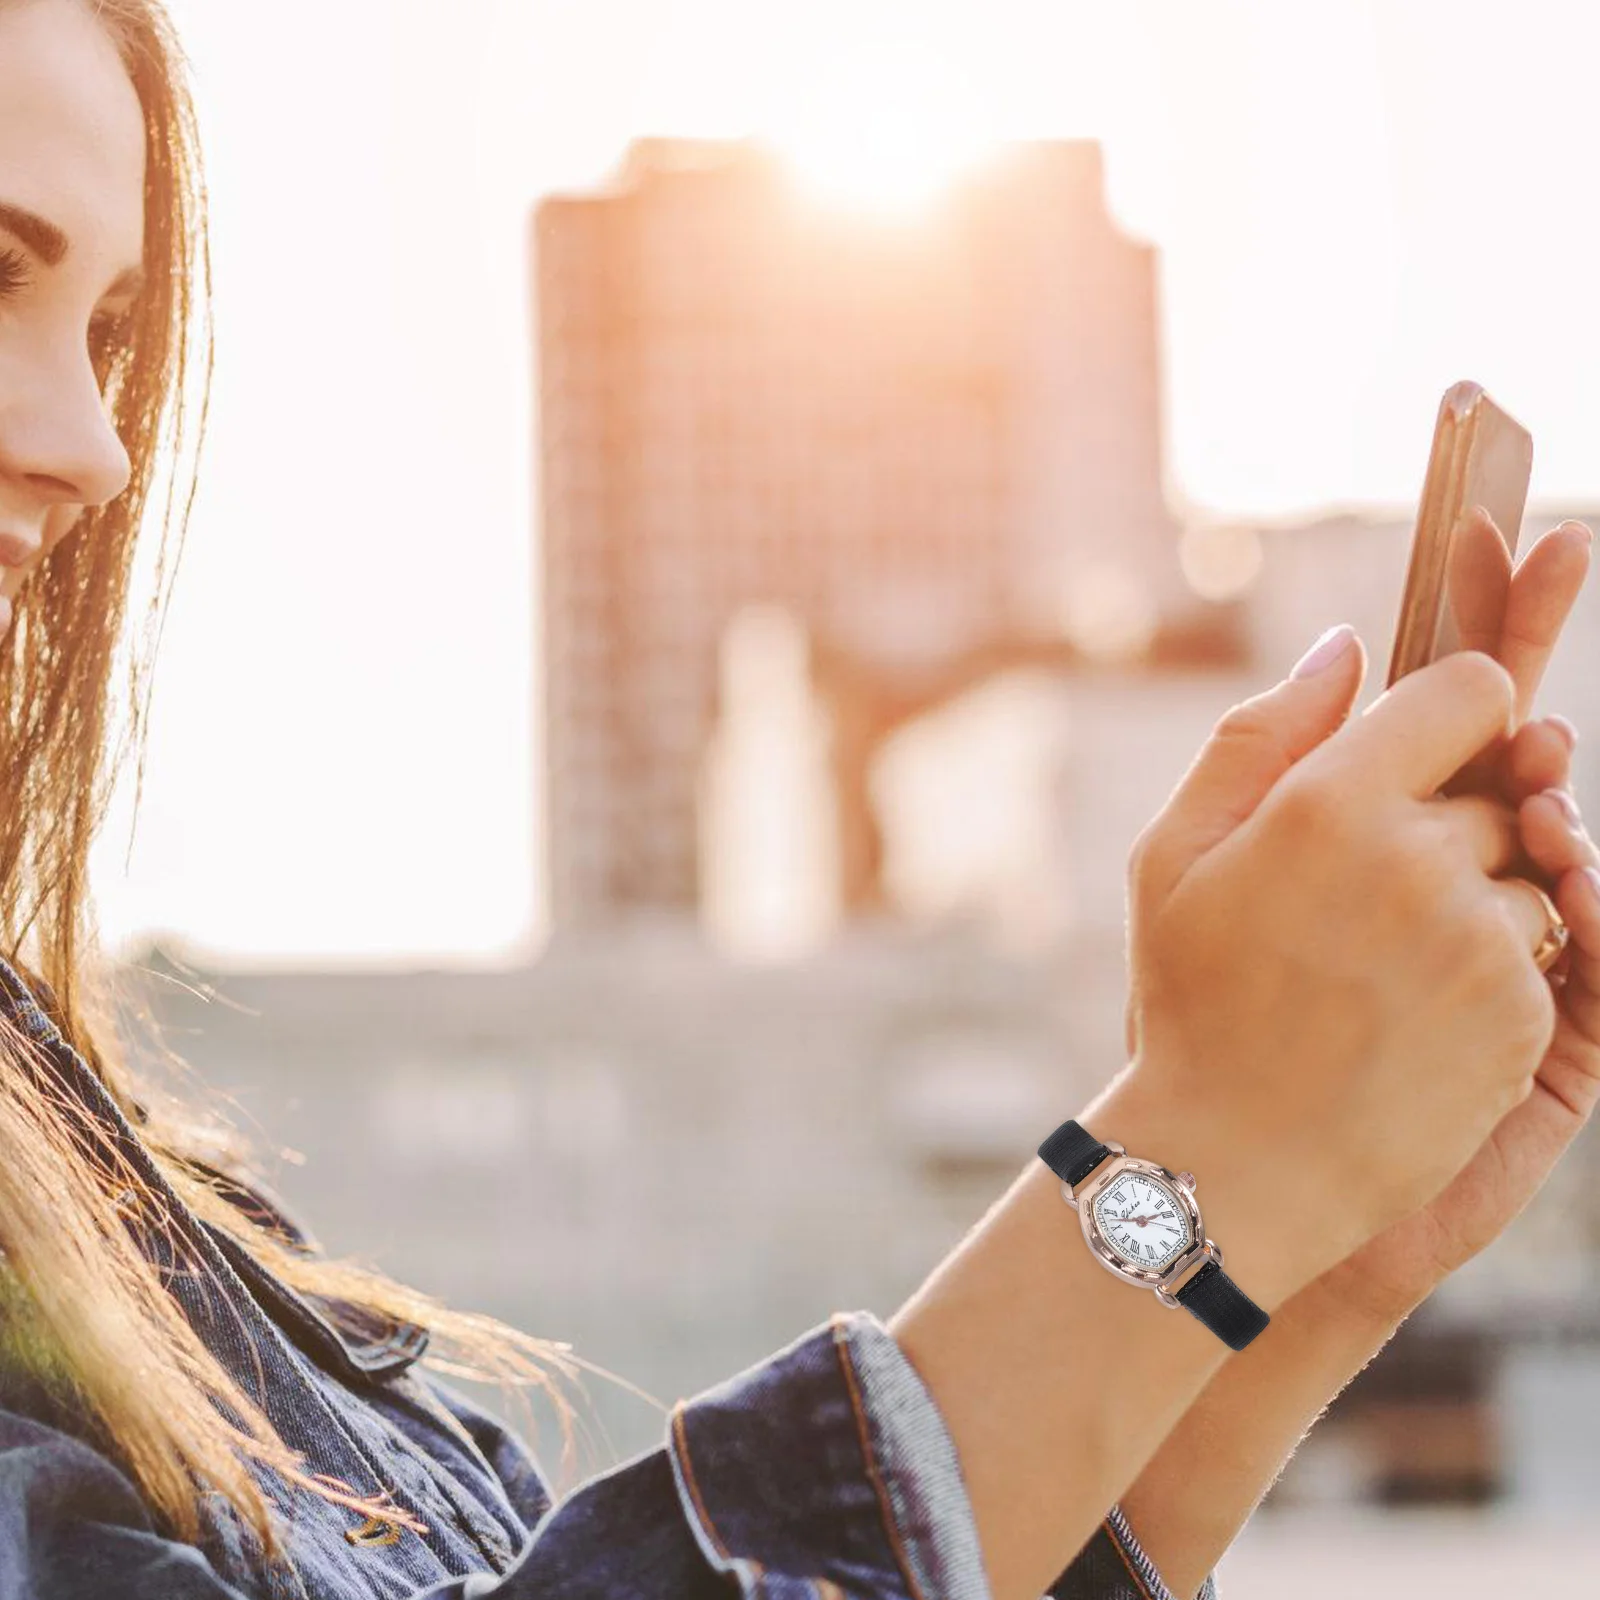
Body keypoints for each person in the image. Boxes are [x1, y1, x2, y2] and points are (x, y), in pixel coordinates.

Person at [2, 2, 1599, 1598]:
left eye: (110, 336)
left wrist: (1290, 1271)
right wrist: (1214, 1145)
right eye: (2, 274)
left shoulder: (104, 1195)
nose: (95, 446)